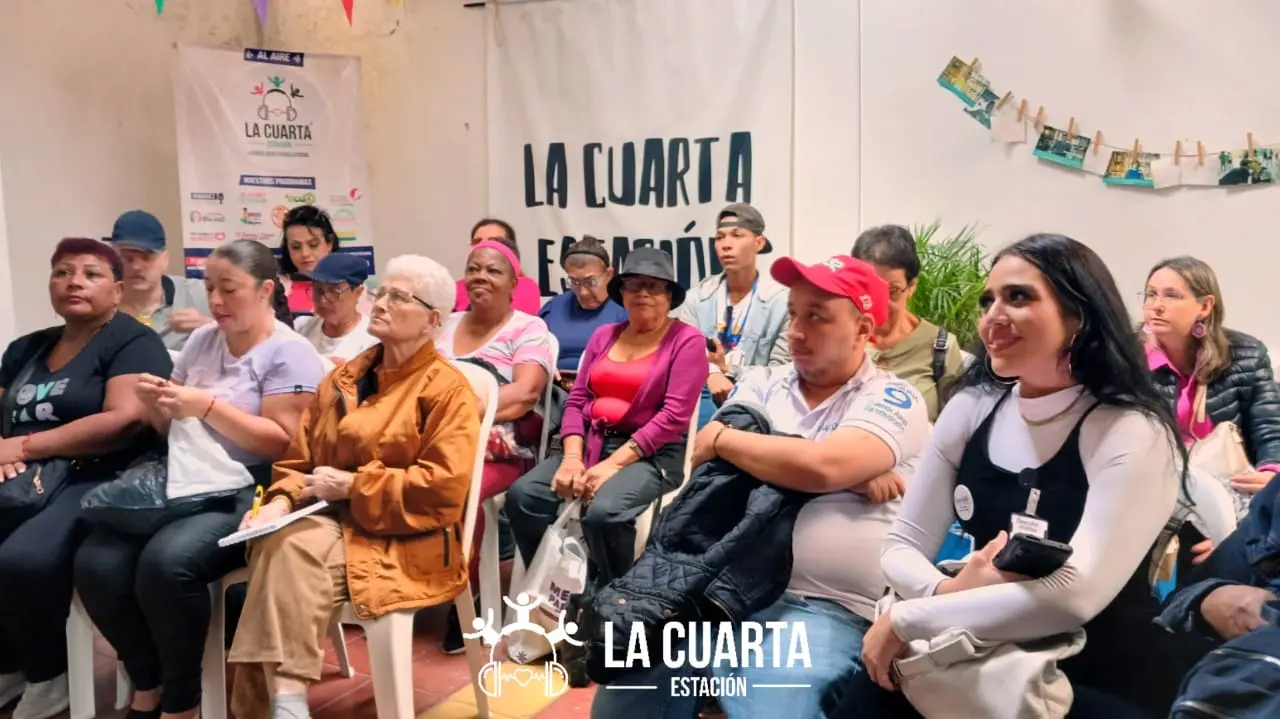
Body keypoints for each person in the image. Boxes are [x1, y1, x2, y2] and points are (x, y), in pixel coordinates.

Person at [859, 234, 1198, 717]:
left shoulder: (1131, 430)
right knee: (870, 689)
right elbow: (900, 546)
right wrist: (946, 595)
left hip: (1087, 664)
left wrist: (913, 617)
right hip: (960, 647)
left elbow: (1073, 597)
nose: (993, 315)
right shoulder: (972, 407)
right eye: (988, 300)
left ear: (1079, 316)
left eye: (1018, 297)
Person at [591, 254, 932, 719]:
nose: (796, 329)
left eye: (817, 316)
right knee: (624, 689)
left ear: (862, 329)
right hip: (712, 589)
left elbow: (824, 466)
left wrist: (763, 451)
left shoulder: (894, 397)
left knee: (770, 699)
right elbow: (711, 462)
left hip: (825, 605)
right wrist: (834, 468)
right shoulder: (763, 381)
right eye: (794, 313)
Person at [73, 239, 325, 719]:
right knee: (96, 561)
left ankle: (183, 702)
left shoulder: (289, 353)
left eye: (229, 289)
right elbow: (177, 430)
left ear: (266, 289)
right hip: (188, 476)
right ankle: (147, 681)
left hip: (253, 487)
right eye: (209, 288)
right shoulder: (203, 340)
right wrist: (159, 407)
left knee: (167, 563)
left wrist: (207, 406)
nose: (215, 301)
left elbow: (285, 445)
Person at [225, 255, 474, 719]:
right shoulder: (345, 379)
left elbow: (443, 491)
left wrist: (356, 485)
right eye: (382, 293)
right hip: (334, 522)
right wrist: (278, 501)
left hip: (406, 536)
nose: (380, 304)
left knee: (284, 555)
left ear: (433, 321)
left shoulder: (447, 390)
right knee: (276, 539)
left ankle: (280, 705)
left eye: (400, 297)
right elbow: (299, 460)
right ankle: (287, 702)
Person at [0, 238, 172, 719]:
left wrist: (25, 446)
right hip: (22, 475)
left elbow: (123, 421)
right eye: (62, 272)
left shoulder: (133, 341)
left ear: (117, 291)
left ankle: (49, 673)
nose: (74, 281)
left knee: (23, 559)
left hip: (100, 474)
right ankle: (8, 662)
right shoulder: (26, 348)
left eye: (91, 273)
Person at [508, 247, 706, 589]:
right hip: (589, 446)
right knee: (524, 497)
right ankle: (552, 586)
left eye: (654, 286)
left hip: (650, 457)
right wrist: (571, 458)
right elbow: (577, 401)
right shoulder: (604, 336)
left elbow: (673, 417)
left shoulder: (687, 341)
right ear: (622, 292)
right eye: (634, 285)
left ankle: (612, 598)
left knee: (603, 513)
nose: (643, 293)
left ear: (670, 295)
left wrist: (612, 465)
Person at [436, 239, 554, 652]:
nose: (480, 277)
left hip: (505, 448)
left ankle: (462, 596)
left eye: (493, 270)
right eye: (473, 268)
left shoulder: (527, 328)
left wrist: (453, 412)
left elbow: (523, 395)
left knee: (458, 482)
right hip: (437, 440)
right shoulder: (443, 326)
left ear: (513, 283)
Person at [1143, 256, 1280, 520]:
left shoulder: (1246, 354)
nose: (1156, 307)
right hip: (1157, 496)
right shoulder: (1127, 358)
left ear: (1205, 306)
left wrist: (1271, 474)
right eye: (1150, 295)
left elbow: (1269, 428)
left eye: (1171, 296)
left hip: (1229, 491)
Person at [678, 203, 790, 428]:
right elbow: (681, 354)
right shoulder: (697, 298)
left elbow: (783, 372)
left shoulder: (782, 302)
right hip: (700, 406)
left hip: (760, 409)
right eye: (720, 237)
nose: (726, 245)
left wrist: (728, 370)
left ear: (759, 243)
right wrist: (711, 372)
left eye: (737, 235)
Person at [852, 224, 967, 421]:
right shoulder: (842, 336)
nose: (880, 303)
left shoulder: (941, 347)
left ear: (912, 286)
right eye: (869, 289)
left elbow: (957, 428)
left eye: (892, 291)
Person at [106, 210, 212, 352]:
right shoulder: (99, 302)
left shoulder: (198, 293)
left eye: (147, 257)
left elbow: (247, 334)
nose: (136, 267)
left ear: (165, 259)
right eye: (127, 258)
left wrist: (209, 327)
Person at [538, 236, 628, 377]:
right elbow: (533, 352)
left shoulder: (626, 310)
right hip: (554, 388)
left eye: (590, 281)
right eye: (574, 282)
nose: (583, 292)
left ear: (609, 275)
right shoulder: (553, 309)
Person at [293, 253, 378, 370]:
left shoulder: (372, 339)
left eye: (334, 292)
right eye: (318, 291)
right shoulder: (301, 327)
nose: (323, 300)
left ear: (358, 292)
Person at [454, 219, 541, 315]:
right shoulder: (455, 288)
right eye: (477, 242)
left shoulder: (526, 286)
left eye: (494, 241)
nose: (484, 246)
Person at [277, 205, 339, 318]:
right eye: (296, 247)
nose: (305, 254)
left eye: (313, 245)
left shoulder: (350, 286)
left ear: (330, 243)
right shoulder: (275, 288)